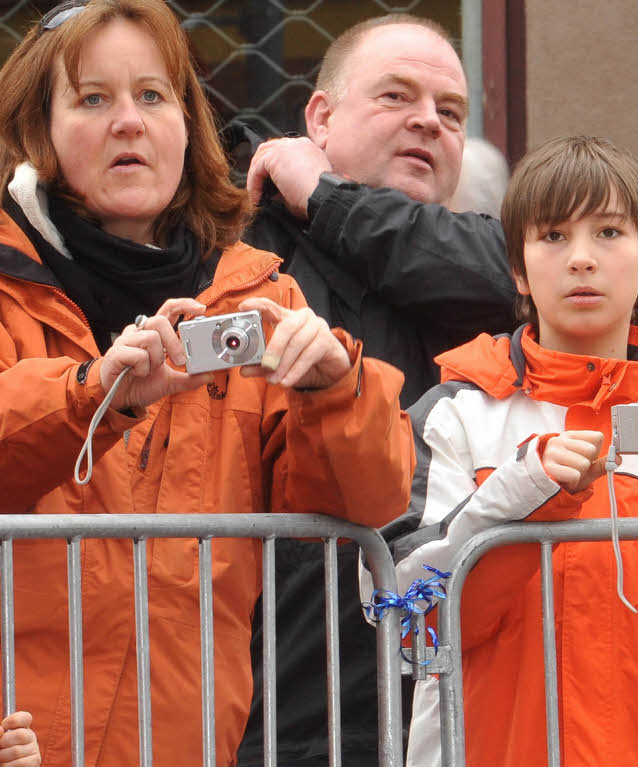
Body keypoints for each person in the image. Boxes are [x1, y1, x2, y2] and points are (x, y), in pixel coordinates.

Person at [0, 2, 412, 766]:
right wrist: (98, 393)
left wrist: (336, 389)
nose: (130, 122)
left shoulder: (261, 294)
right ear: (38, 132)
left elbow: (368, 502)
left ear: (188, 127)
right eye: (93, 99)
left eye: (154, 96)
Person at [368, 135, 638, 767]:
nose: (581, 259)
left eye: (608, 233)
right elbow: (408, 627)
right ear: (517, 268)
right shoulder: (452, 416)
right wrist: (525, 492)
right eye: (552, 236)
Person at [234, 14, 516, 767]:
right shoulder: (243, 250)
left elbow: (510, 268)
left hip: (449, 705)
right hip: (286, 698)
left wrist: (326, 196)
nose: (428, 119)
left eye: (450, 112)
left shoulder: (480, 264)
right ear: (320, 118)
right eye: (397, 96)